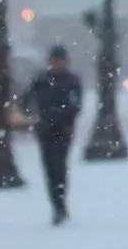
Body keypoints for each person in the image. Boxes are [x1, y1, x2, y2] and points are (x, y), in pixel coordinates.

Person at [20, 45, 83, 226]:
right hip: (45, 130)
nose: (57, 64)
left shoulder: (70, 81)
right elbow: (25, 100)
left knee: (60, 167)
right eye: (54, 61)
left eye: (59, 61)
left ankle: (60, 204)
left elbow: (76, 104)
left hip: (62, 130)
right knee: (49, 169)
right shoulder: (41, 80)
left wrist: (64, 116)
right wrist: (33, 113)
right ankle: (56, 204)